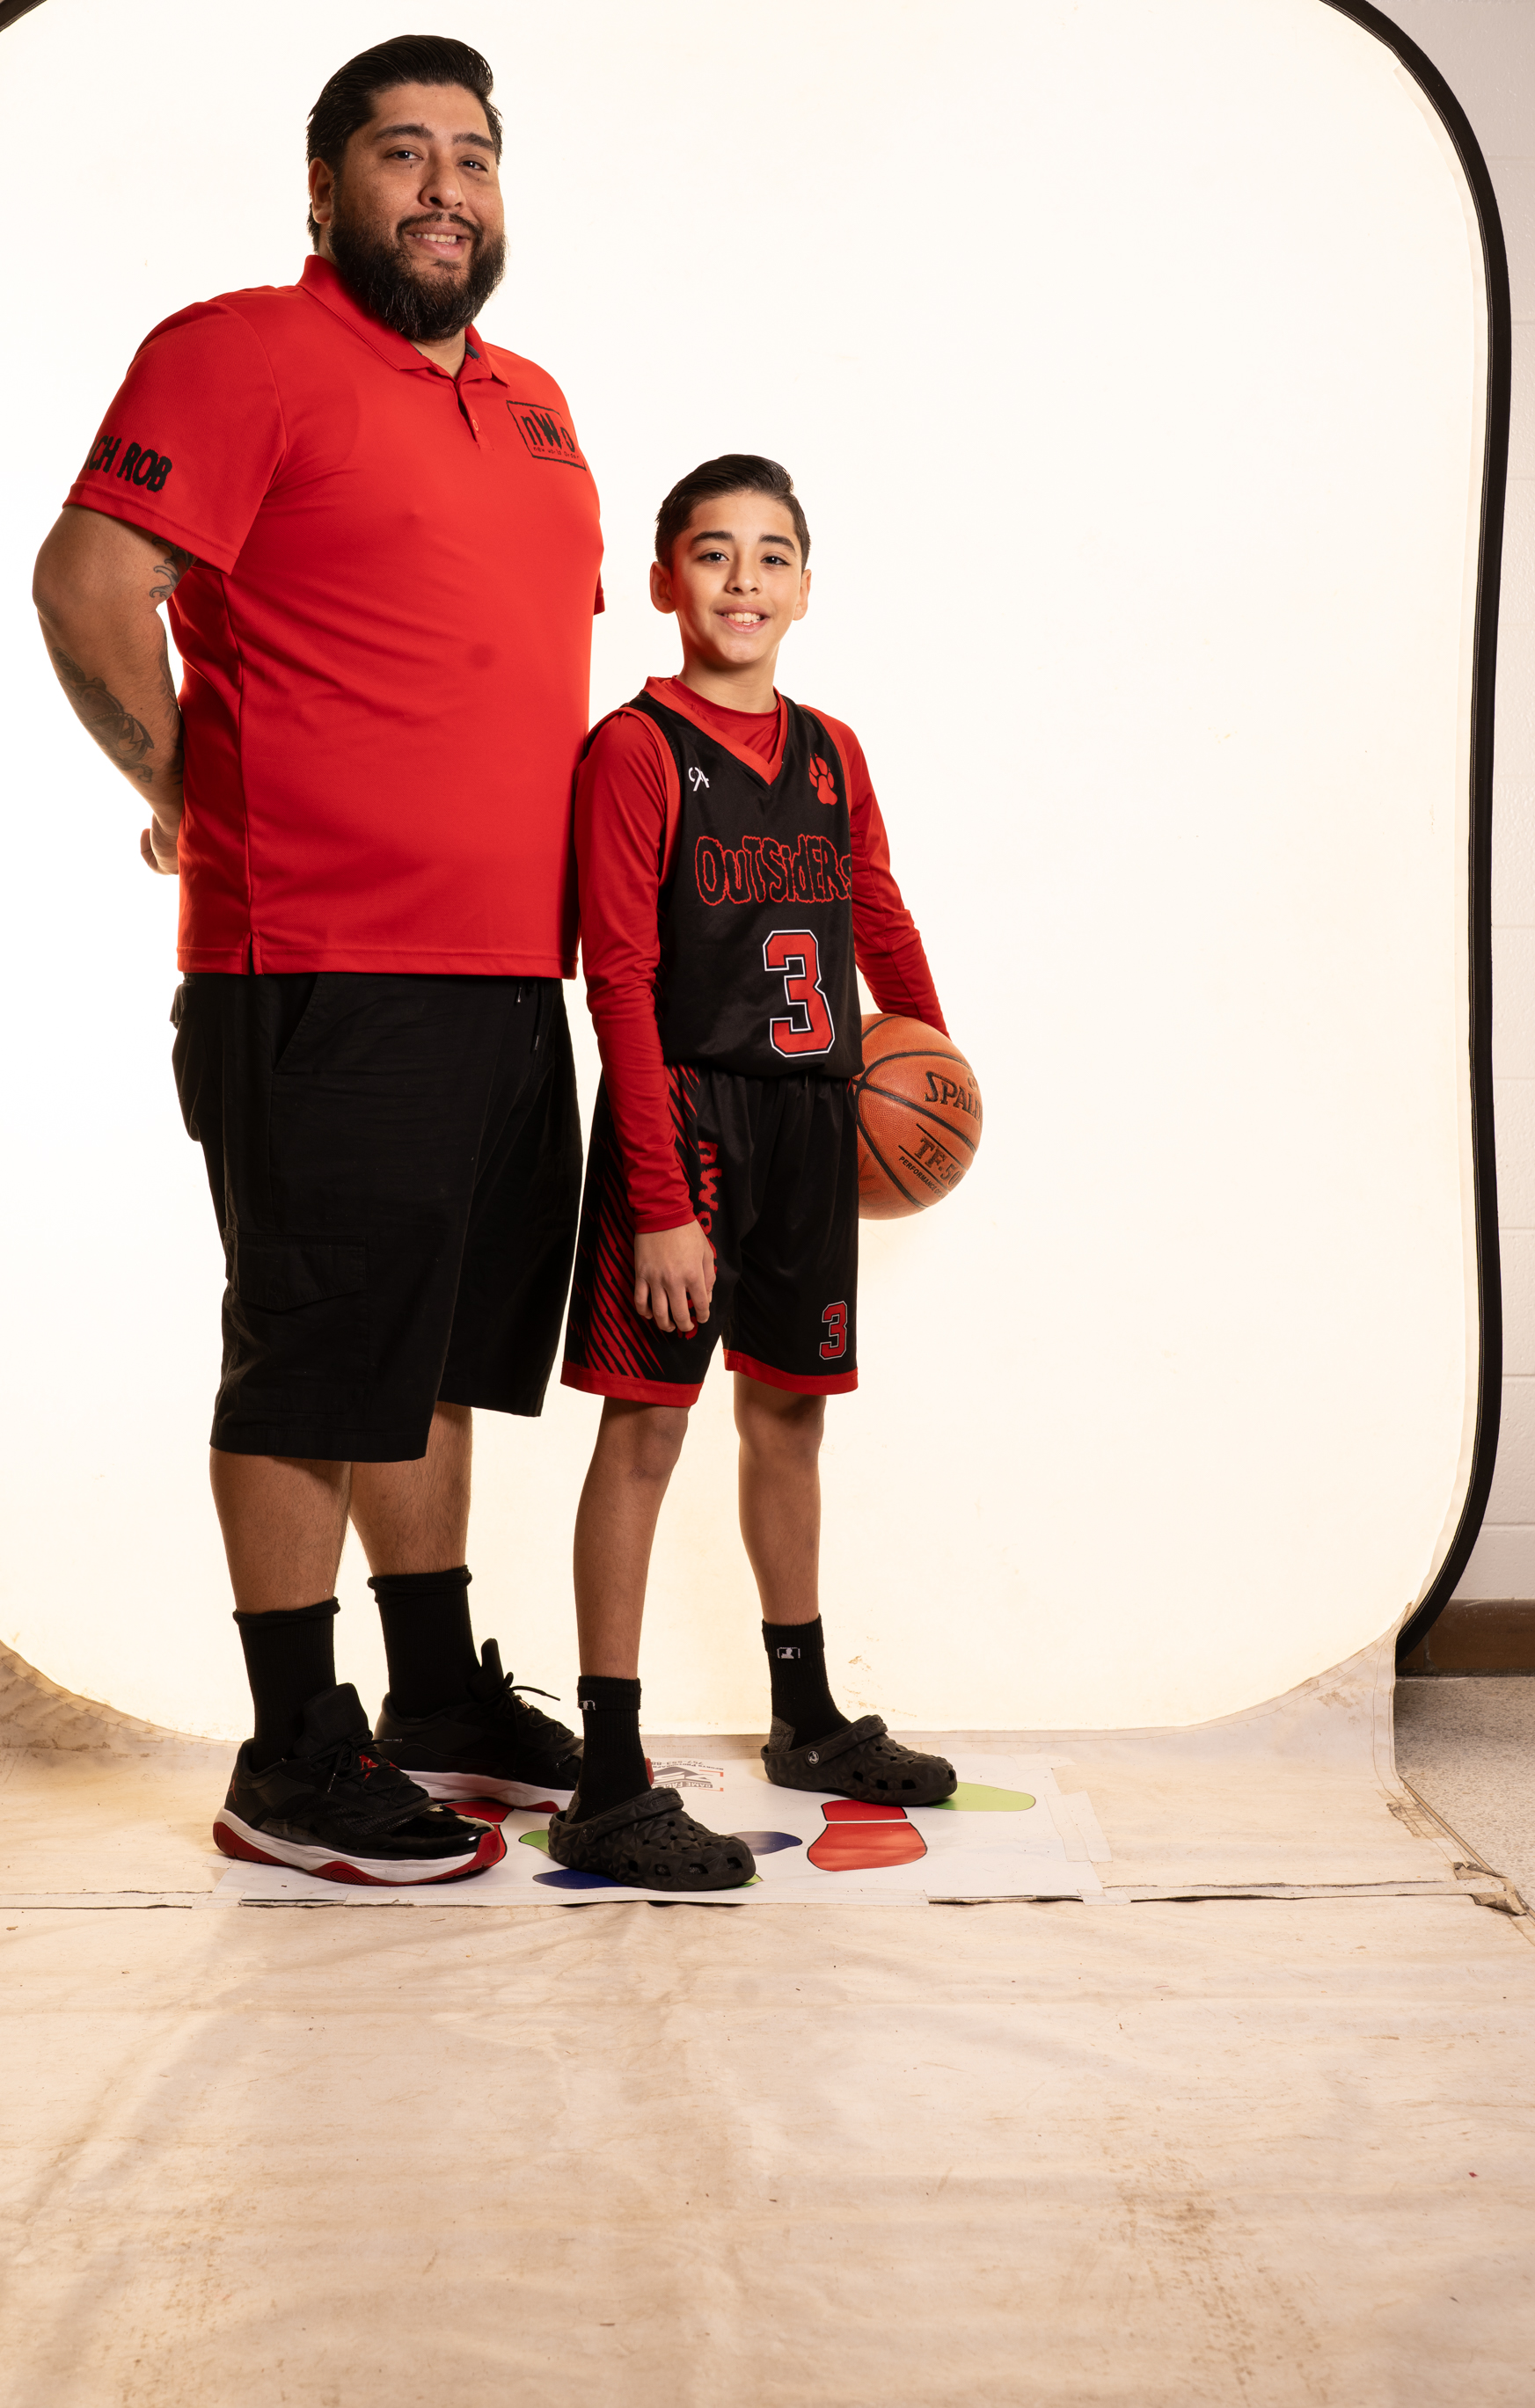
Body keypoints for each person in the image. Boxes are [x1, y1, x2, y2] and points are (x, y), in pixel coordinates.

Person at [30, 35, 597, 1886]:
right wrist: (184, 791)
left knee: (428, 1355)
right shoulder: (239, 351)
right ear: (323, 187)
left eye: (473, 156)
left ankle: (432, 1696)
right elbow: (88, 584)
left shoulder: (531, 401)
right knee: (312, 1354)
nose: (445, 187)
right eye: (401, 152)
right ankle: (291, 1754)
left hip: (511, 973)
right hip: (324, 967)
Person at [553, 454, 959, 1892]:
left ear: (805, 586)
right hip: (686, 1119)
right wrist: (662, 1201)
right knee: (645, 1430)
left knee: (788, 1414)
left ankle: (804, 1714)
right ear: (663, 581)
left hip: (813, 1119)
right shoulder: (634, 749)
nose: (743, 579)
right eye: (713, 552)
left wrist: (934, 1064)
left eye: (771, 553)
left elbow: (876, 915)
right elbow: (619, 983)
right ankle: (608, 1769)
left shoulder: (832, 751)